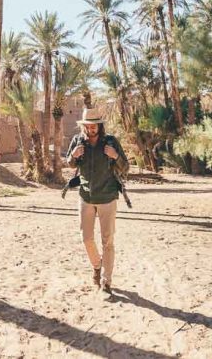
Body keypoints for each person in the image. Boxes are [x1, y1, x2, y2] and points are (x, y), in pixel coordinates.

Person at [66, 107, 129, 294]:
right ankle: (97, 265)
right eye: (88, 126)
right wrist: (73, 156)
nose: (92, 129)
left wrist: (115, 155)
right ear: (84, 126)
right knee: (86, 238)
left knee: (107, 241)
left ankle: (106, 281)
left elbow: (125, 167)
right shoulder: (77, 142)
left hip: (107, 197)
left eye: (95, 126)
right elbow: (70, 163)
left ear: (99, 126)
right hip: (86, 196)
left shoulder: (111, 142)